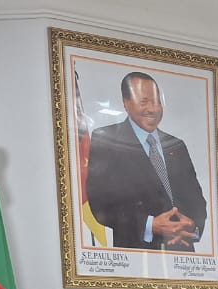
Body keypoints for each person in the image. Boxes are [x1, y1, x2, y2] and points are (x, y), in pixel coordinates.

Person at [84, 71, 208, 251]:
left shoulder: (176, 145)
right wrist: (150, 225)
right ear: (126, 103)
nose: (153, 109)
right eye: (144, 102)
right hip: (137, 254)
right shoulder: (107, 140)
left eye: (157, 101)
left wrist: (192, 227)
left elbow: (196, 200)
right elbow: (101, 204)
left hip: (181, 255)